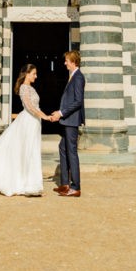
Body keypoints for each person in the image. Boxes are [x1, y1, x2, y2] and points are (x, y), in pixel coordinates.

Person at [0, 63, 52, 197]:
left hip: (34, 122)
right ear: (27, 74)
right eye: (34, 73)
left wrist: (42, 117)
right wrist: (44, 116)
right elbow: (29, 107)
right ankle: (22, 183)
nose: (36, 76)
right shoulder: (24, 88)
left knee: (31, 150)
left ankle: (31, 183)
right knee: (25, 150)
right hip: (28, 121)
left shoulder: (31, 88)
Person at [51, 50, 85, 197]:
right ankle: (65, 184)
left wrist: (61, 113)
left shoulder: (78, 77)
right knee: (62, 147)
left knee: (71, 152)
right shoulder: (72, 76)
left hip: (71, 120)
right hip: (67, 119)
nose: (65, 63)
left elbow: (78, 101)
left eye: (67, 61)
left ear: (73, 62)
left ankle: (75, 187)